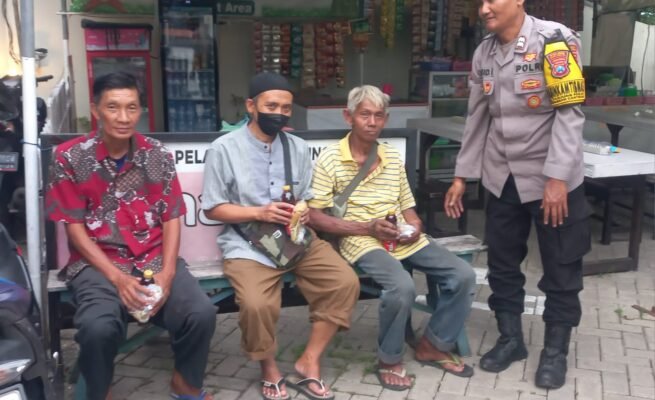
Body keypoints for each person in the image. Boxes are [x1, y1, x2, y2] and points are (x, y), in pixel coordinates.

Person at [444, 0, 591, 390]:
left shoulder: (554, 40)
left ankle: (555, 352)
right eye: (480, 2)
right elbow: (478, 117)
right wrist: (462, 175)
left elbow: (569, 113)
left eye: (492, 0)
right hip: (502, 176)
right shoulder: (484, 53)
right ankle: (511, 340)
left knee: (562, 266)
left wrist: (557, 177)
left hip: (551, 178)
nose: (484, 9)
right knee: (503, 263)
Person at [46, 72, 217, 400]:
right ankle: (100, 390)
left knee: (200, 313)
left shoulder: (157, 154)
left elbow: (171, 216)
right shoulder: (70, 157)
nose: (123, 117)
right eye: (113, 107)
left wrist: (168, 273)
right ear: (96, 110)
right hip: (97, 264)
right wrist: (118, 279)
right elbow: (74, 228)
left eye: (132, 108)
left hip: (152, 257)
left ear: (141, 111)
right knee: (98, 327)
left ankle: (186, 382)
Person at [201, 71, 360, 400]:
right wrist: (258, 212)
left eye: (286, 108)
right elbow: (213, 209)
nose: (279, 113)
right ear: (251, 105)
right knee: (257, 304)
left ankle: (309, 359)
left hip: (296, 239)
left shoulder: (298, 148)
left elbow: (308, 198)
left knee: (344, 282)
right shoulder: (224, 149)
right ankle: (268, 367)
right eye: (271, 106)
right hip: (247, 244)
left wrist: (304, 211)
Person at [308, 85, 477, 391]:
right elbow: (315, 216)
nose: (372, 122)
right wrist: (367, 228)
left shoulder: (390, 156)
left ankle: (433, 344)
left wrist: (414, 227)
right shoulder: (330, 159)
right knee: (401, 287)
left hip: (400, 236)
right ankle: (389, 359)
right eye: (364, 115)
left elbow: (409, 210)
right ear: (348, 116)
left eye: (378, 115)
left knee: (463, 275)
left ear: (385, 119)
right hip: (361, 239)